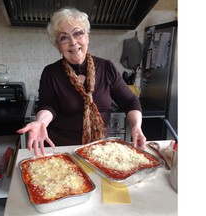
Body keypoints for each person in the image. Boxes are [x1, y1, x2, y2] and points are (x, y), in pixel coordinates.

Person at [17, 7, 146, 156]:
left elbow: (130, 101)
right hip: (62, 151)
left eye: (78, 33)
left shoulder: (106, 67)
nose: (73, 42)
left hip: (99, 150)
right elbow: (48, 105)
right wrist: (41, 123)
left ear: (87, 37)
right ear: (58, 46)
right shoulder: (51, 73)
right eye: (64, 38)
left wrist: (136, 126)